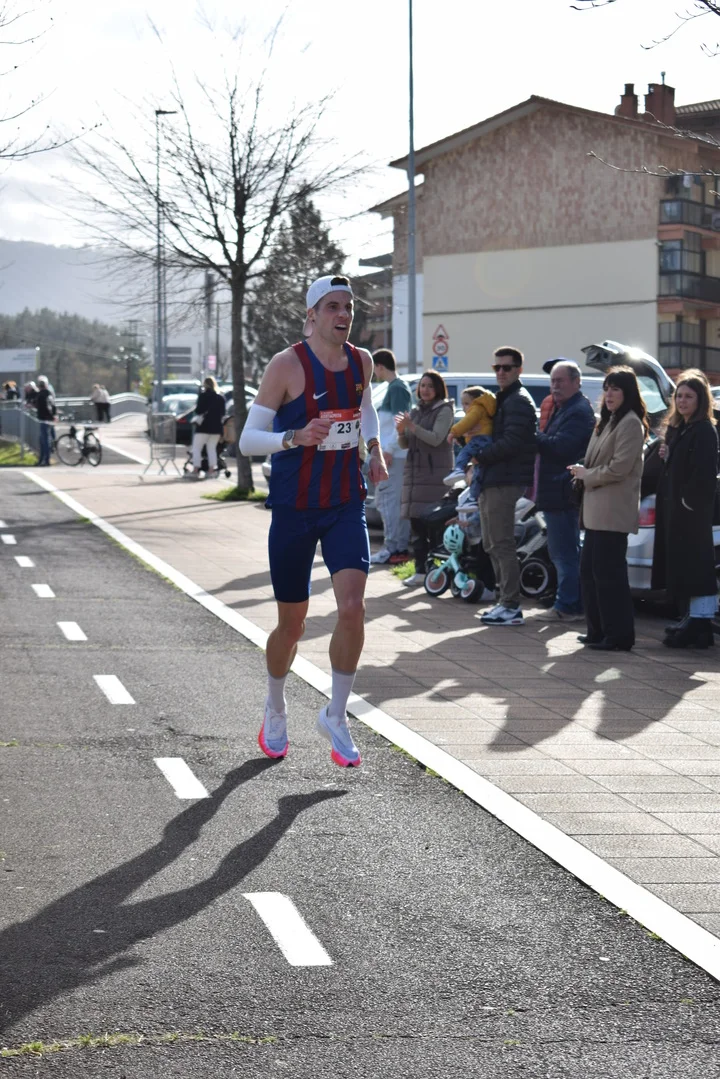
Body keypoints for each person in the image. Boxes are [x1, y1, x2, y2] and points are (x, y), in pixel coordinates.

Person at [238, 274, 388, 769]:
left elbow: (365, 409)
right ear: (312, 315)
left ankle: (336, 714)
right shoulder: (286, 365)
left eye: (349, 307)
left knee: (353, 609)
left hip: (344, 501)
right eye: (332, 307)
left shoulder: (361, 361)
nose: (343, 315)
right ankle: (275, 706)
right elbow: (248, 439)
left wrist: (373, 449)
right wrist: (294, 437)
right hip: (295, 506)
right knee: (293, 624)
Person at [569, 365, 648, 651]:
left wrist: (586, 475)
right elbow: (597, 461)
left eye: (615, 389)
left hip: (612, 512)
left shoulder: (630, 423)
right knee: (590, 573)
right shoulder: (607, 420)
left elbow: (619, 468)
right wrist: (582, 469)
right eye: (606, 389)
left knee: (609, 576)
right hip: (595, 511)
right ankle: (598, 631)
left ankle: (619, 636)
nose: (609, 394)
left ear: (628, 393)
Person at [652, 369, 719, 650]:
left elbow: (703, 473)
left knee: (697, 567)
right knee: (687, 567)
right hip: (681, 513)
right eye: (679, 396)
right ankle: (693, 618)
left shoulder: (703, 429)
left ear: (700, 400)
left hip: (692, 513)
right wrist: (669, 455)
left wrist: (687, 502)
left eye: (689, 396)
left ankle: (700, 622)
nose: (682, 401)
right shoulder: (685, 428)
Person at [475, 347, 537, 626]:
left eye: (507, 367)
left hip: (506, 480)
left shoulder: (518, 401)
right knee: (491, 543)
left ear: (519, 370)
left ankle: (511, 606)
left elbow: (512, 442)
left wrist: (480, 455)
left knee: (501, 543)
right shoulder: (506, 399)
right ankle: (503, 601)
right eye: (496, 367)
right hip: (494, 478)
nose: (500, 372)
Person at [535, 360, 596, 622]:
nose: (555, 386)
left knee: (564, 553)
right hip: (556, 489)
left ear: (576, 382)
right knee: (562, 552)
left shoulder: (578, 411)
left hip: (562, 491)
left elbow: (561, 448)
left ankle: (568, 606)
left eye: (560, 381)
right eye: (553, 381)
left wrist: (533, 435)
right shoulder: (565, 408)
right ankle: (569, 601)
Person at [394, 371, 455, 588]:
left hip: (434, 475)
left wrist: (411, 426)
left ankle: (437, 573)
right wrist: (401, 432)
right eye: (422, 385)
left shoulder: (444, 410)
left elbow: (436, 438)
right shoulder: (416, 410)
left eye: (430, 385)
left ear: (438, 388)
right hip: (415, 474)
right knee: (416, 526)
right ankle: (420, 571)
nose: (425, 390)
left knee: (434, 526)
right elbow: (406, 444)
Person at [370, 348, 413, 565]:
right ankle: (397, 548)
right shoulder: (396, 387)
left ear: (380, 366)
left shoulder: (397, 388)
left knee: (388, 502)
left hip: (394, 456)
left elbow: (401, 423)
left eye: (374, 368)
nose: (373, 372)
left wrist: (388, 449)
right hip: (394, 454)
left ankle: (392, 548)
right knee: (392, 502)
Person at [444, 386, 497, 489]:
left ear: (477, 400)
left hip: (480, 439)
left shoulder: (477, 408)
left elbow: (466, 423)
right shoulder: (483, 411)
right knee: (478, 472)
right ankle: (473, 494)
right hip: (484, 441)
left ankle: (458, 469)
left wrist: (453, 432)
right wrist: (462, 438)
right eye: (463, 404)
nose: (464, 407)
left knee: (465, 453)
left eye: (467, 403)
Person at [192, 376, 226, 476]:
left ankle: (196, 469)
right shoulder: (220, 398)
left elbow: (198, 411)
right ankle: (211, 470)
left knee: (197, 448)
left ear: (205, 385)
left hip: (203, 427)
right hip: (216, 428)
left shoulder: (203, 396)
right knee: (211, 449)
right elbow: (223, 413)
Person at [35, 376, 57, 467]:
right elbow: (53, 405)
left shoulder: (41, 395)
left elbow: (42, 406)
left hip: (44, 419)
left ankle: (45, 460)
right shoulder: (49, 394)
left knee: (44, 440)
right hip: (49, 419)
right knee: (44, 440)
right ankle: (43, 459)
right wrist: (53, 415)